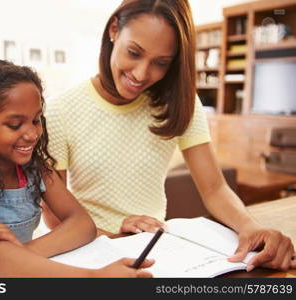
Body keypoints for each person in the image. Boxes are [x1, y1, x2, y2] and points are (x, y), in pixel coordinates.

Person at [42, 0, 296, 272]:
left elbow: (214, 188)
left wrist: (250, 227)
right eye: (134, 52)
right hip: (88, 250)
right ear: (114, 29)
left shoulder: (181, 104)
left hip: (154, 250)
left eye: (161, 63)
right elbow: (54, 214)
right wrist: (113, 235)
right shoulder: (61, 109)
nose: (141, 74)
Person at [0, 59, 153, 277]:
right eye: (15, 125)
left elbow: (82, 224)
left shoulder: (36, 169)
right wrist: (94, 278)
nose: (32, 134)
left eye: (36, 120)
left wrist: (19, 253)